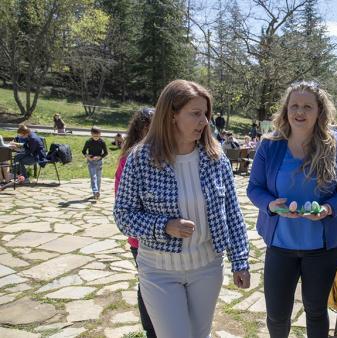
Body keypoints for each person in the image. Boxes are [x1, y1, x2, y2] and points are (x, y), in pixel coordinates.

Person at [113, 80, 250, 338]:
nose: (205, 121)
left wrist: (240, 260)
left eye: (206, 114)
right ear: (172, 114)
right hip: (158, 271)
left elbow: (232, 213)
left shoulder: (215, 157)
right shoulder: (141, 158)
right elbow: (123, 215)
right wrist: (164, 226)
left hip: (207, 269)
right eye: (196, 114)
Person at [247, 80, 337, 337]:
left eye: (307, 106)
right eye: (294, 106)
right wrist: (269, 204)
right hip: (280, 245)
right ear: (285, 110)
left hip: (322, 248)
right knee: (276, 314)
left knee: (316, 310)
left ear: (320, 111)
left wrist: (329, 208)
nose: (300, 112)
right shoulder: (270, 145)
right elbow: (254, 188)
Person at [114, 107, 156, 338]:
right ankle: (150, 329)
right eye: (149, 130)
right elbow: (122, 203)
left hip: (165, 239)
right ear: (139, 130)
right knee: (147, 283)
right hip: (140, 238)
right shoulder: (130, 159)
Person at [82, 126, 108, 199]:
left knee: (99, 178)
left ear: (100, 134)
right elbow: (83, 151)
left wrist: (100, 157)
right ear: (91, 134)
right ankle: (95, 191)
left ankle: (97, 193)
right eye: (94, 136)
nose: (96, 137)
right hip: (91, 162)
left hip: (99, 162)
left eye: (97, 136)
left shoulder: (102, 142)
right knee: (93, 177)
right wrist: (87, 156)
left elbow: (106, 152)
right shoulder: (88, 142)